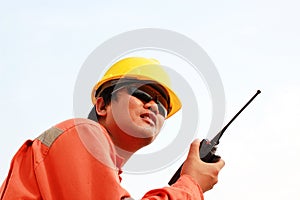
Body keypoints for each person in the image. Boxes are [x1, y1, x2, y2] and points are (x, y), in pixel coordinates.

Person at [0, 57, 225, 199]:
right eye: (142, 94)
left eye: (163, 106)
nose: (154, 106)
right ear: (102, 105)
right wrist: (190, 185)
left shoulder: (104, 174)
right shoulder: (83, 133)